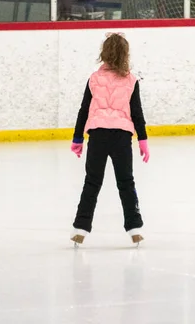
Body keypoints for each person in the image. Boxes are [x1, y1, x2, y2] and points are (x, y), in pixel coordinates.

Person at [69, 32, 150, 246]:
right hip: (121, 136)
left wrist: (78, 138)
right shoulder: (131, 81)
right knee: (126, 182)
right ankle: (134, 229)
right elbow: (137, 113)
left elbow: (84, 110)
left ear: (104, 53)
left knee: (92, 183)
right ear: (125, 55)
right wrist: (143, 140)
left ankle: (80, 229)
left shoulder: (94, 79)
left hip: (97, 135)